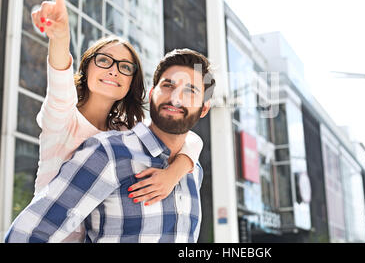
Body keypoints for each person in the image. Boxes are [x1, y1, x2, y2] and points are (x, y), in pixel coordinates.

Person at [26, 0, 203, 242]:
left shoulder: (124, 131)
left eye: (125, 66)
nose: (113, 70)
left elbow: (188, 137)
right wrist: (61, 35)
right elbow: (59, 76)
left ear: (132, 82)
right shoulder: (62, 117)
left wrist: (172, 174)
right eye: (104, 60)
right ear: (86, 68)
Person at [5, 48, 215, 243]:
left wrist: (180, 167)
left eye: (190, 91)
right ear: (152, 94)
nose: (176, 98)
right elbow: (27, 234)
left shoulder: (192, 170)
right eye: (168, 86)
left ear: (204, 109)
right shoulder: (108, 153)